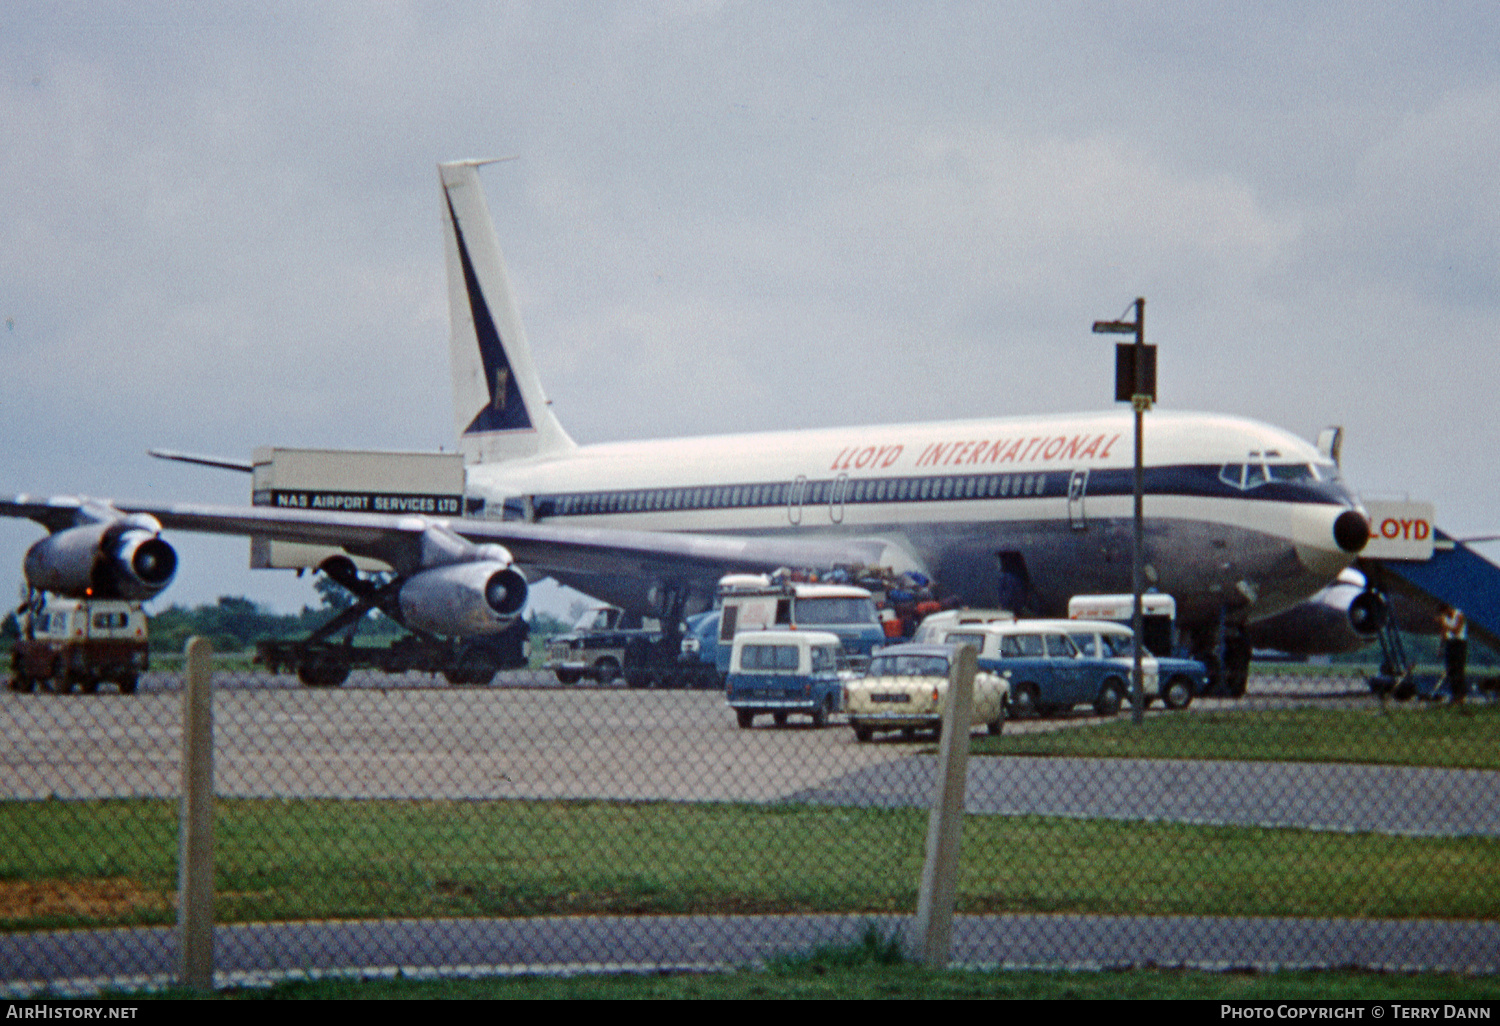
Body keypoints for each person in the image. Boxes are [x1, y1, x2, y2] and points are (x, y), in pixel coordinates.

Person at [1439, 605, 1468, 703]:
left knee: (1458, 669)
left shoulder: (1459, 615)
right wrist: (1441, 647)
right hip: (1450, 643)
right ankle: (1454, 694)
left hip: (1459, 644)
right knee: (1450, 669)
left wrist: (1445, 625)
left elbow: (1457, 631)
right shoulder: (1446, 618)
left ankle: (1461, 695)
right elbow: (1444, 633)